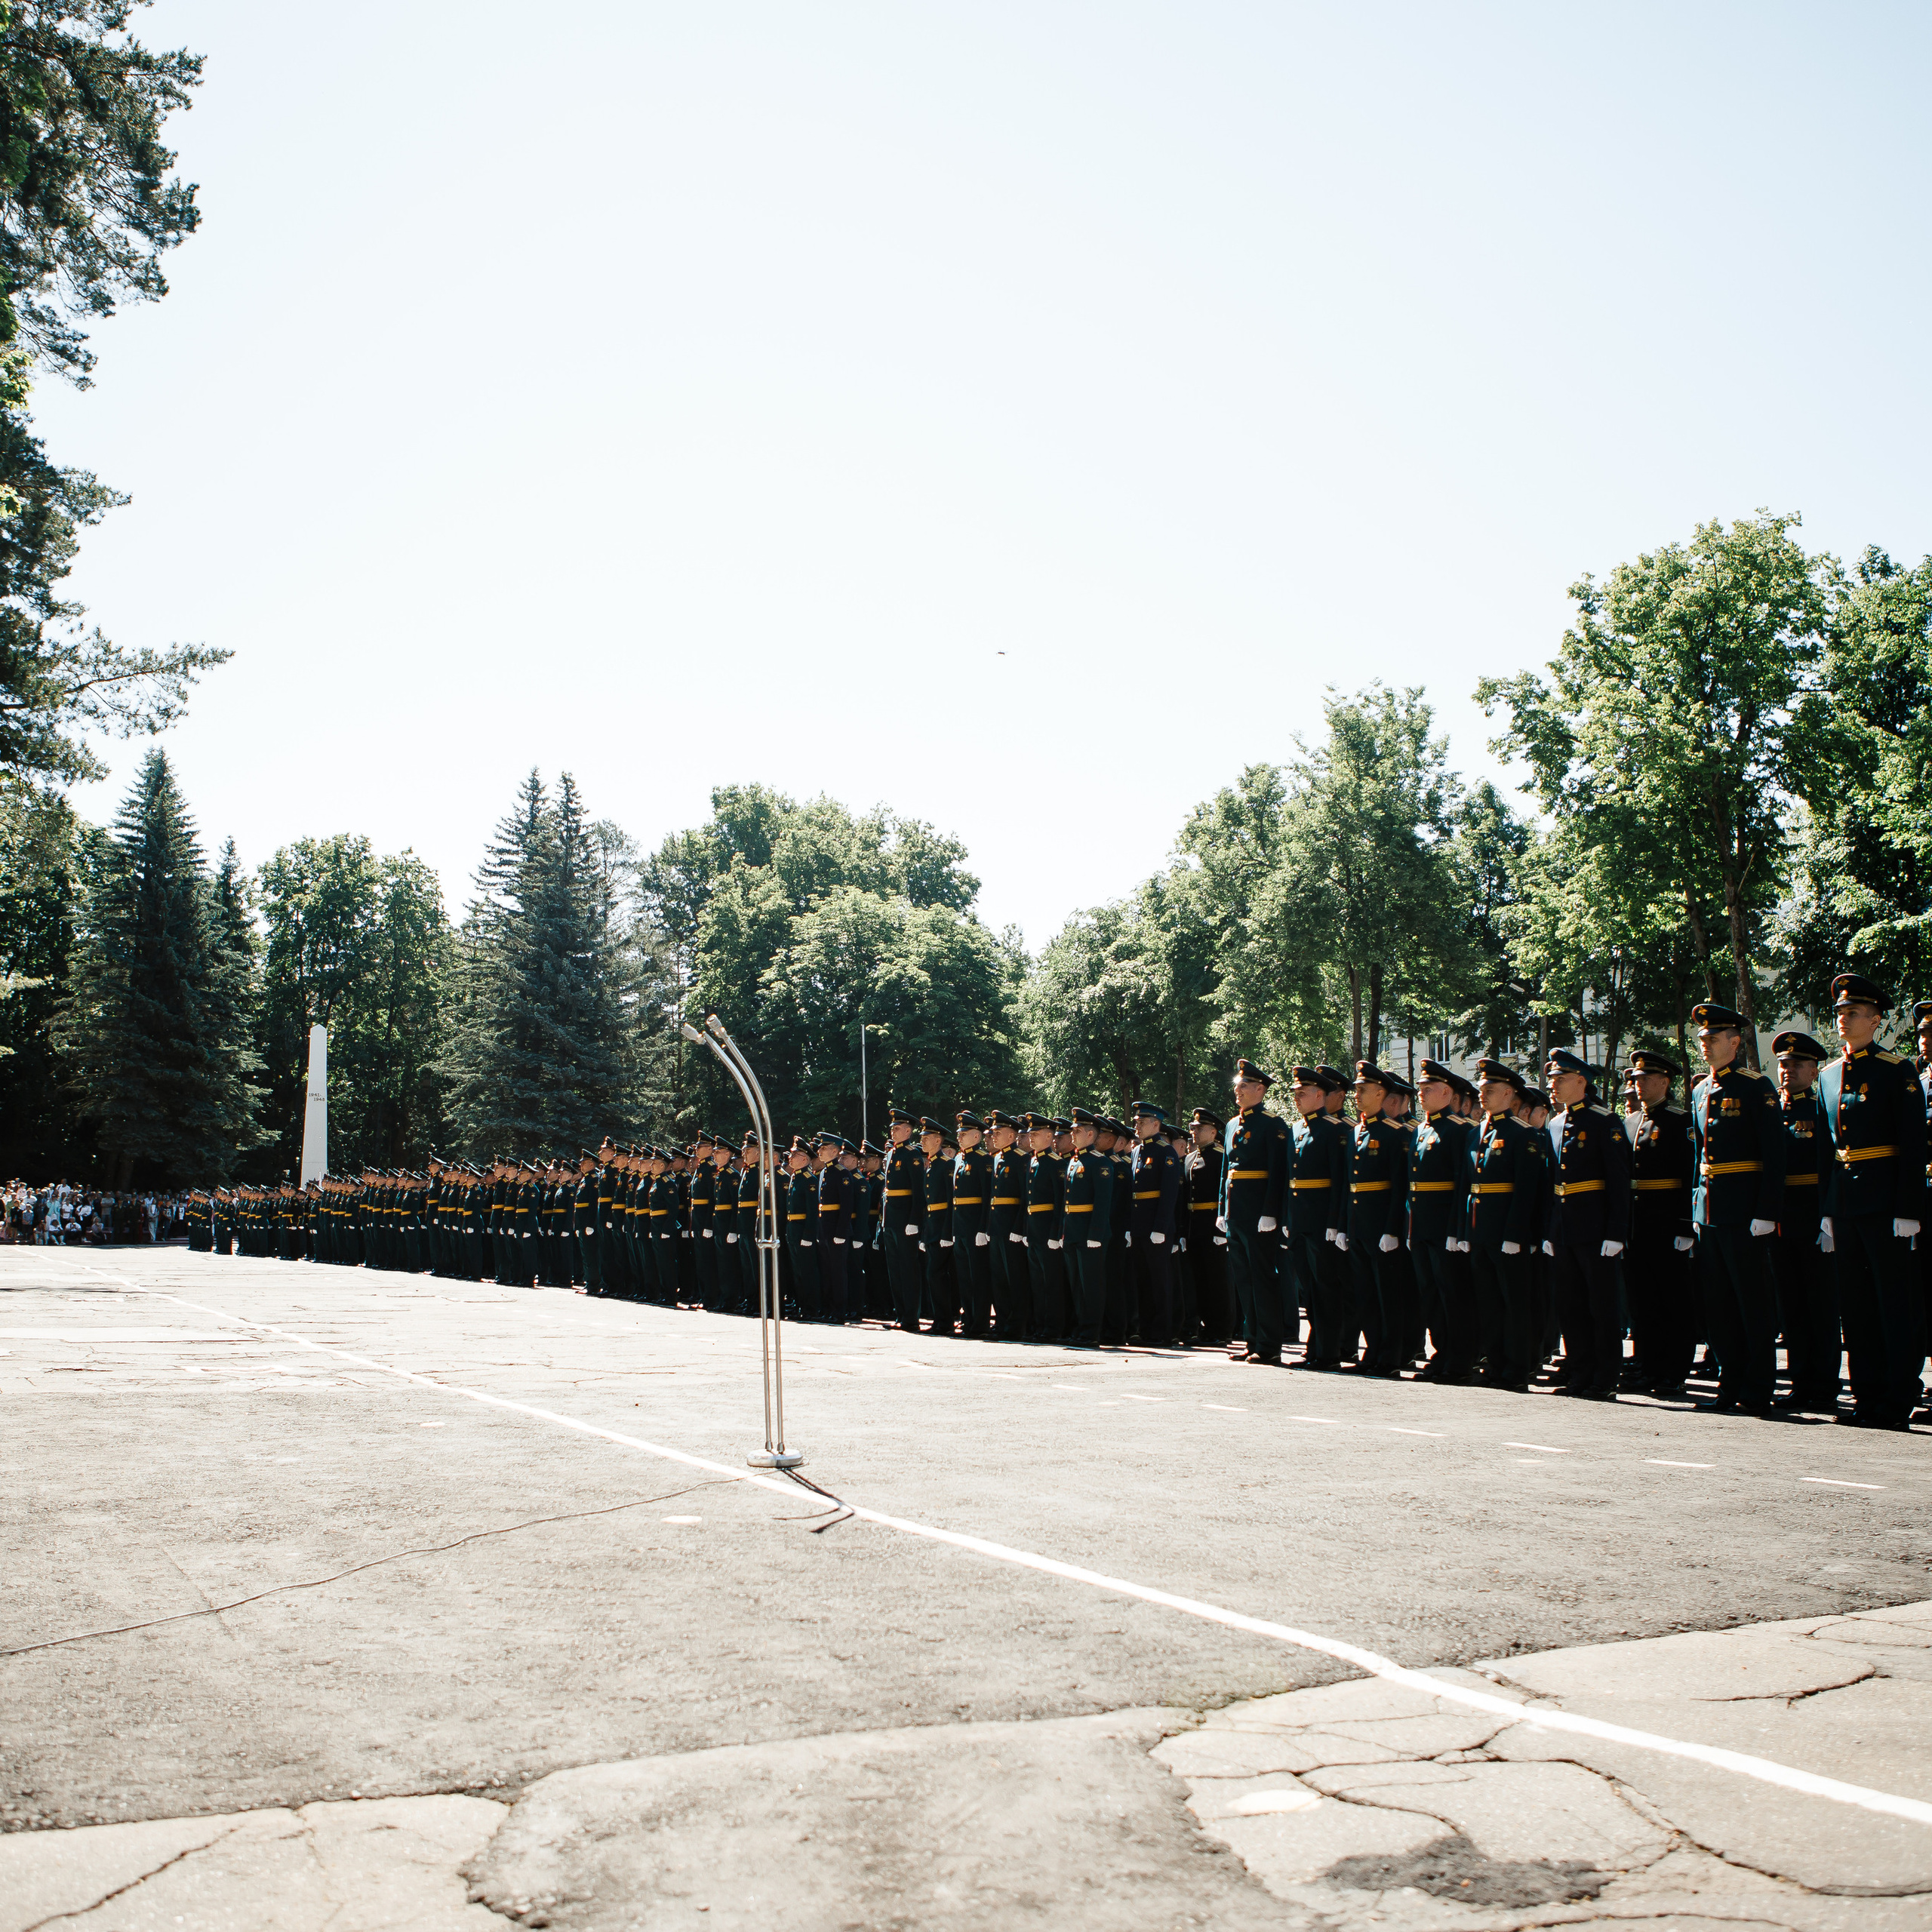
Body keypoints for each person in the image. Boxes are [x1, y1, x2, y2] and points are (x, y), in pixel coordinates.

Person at [1816, 974, 1927, 1429]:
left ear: (1876, 1021)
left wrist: (1909, 1209)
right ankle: (1866, 1393)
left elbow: (1913, 1142)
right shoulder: (1827, 1075)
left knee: (1893, 1301)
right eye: (1839, 1012)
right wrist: (1826, 1210)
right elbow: (1825, 1149)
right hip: (1845, 1203)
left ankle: (1899, 1396)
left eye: (1852, 1013)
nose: (1842, 1019)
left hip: (1885, 1201)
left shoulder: (1895, 1068)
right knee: (1856, 1304)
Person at [1688, 1001, 1786, 1415]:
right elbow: (1698, 1159)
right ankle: (1730, 1383)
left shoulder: (1755, 1087)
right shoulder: (1700, 1090)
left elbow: (1774, 1154)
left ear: (1735, 1041)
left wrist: (1766, 1211)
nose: (1704, 1045)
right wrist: (1692, 1212)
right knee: (1719, 1302)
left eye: (1712, 1038)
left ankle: (1759, 1385)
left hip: (1745, 1211)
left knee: (1752, 1302)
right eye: (1701, 1039)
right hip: (1709, 1211)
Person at [1543, 1047, 1632, 1400]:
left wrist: (1616, 1231)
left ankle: (1605, 1377)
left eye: (1560, 1079)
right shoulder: (1555, 1123)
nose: (1553, 1085)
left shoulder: (1603, 1120)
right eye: (1551, 1079)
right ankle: (1579, 1373)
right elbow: (1553, 1182)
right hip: (1564, 1229)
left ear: (1581, 1081)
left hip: (1595, 1229)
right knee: (1571, 1305)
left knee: (1601, 1306)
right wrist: (1551, 1230)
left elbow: (1618, 1180)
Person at [1768, 1031, 1839, 1412]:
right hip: (1781, 1218)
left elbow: (1829, 1164)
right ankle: (1800, 1381)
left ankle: (1824, 1384)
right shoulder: (1771, 1110)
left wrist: (1829, 1214)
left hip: (1812, 1214)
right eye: (1783, 1064)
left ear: (1814, 1071)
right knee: (1791, 1304)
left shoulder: (1820, 1108)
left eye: (1796, 1065)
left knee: (1821, 1303)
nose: (1788, 1070)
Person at [1624, 1049, 1695, 1400]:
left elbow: (1688, 1175)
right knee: (1642, 1302)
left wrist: (1685, 1225)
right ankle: (1647, 1366)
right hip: (1638, 1226)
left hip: (1667, 1223)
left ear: (1664, 1081)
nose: (1637, 1084)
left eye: (1644, 1078)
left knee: (1672, 1301)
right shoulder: (1632, 1121)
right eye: (1635, 1079)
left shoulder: (1681, 1121)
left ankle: (1674, 1371)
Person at [1409, 1059, 1474, 1383]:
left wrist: (1455, 1229)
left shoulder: (1461, 1130)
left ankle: (1459, 1358)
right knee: (1430, 1293)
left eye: (1428, 1089)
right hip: (1421, 1227)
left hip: (1444, 1227)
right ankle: (1441, 1353)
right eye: (1420, 1089)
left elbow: (1463, 1183)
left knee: (1454, 1294)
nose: (1421, 1094)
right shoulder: (1421, 1130)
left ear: (1447, 1093)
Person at [1220, 1059, 1288, 1364]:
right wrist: (1223, 1210)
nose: (1238, 1089)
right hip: (1236, 1212)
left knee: (1262, 1278)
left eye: (1244, 1085)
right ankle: (1252, 1339)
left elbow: (1277, 1172)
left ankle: (1269, 1344)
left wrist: (1271, 1211)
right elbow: (1227, 1171)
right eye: (1238, 1084)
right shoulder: (1232, 1124)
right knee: (1244, 1279)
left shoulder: (1273, 1124)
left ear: (1260, 1089)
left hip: (1259, 1213)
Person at [1283, 1067, 1347, 1367]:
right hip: (1299, 1221)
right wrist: (1286, 1217)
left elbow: (1339, 1182)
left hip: (1322, 1222)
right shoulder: (1296, 1130)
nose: (1295, 1098)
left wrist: (1335, 1224)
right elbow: (1289, 1178)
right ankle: (1314, 1347)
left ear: (1320, 1095)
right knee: (1308, 1289)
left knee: (1326, 1288)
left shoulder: (1334, 1130)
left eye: (1302, 1093)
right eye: (1294, 1093)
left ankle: (1329, 1351)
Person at [1128, 1100, 1183, 1347]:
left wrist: (1160, 1227)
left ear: (1156, 1124)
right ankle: (1146, 1329)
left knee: (1160, 1281)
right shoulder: (1137, 1151)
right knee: (1142, 1280)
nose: (1136, 1125)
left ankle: (1163, 1331)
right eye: (1136, 1122)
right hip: (1139, 1227)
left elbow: (1169, 1193)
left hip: (1156, 1228)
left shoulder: (1166, 1152)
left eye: (1141, 1122)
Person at [1184, 1108, 1228, 1346]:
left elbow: (1223, 1194)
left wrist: (1221, 1231)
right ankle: (1205, 1327)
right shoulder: (1191, 1158)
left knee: (1217, 1280)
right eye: (1193, 1128)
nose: (1194, 1132)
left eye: (1199, 1129)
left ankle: (1220, 1329)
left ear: (1213, 1131)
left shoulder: (1221, 1156)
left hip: (1212, 1224)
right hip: (1194, 1225)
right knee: (1198, 1279)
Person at [951, 1112, 994, 1339]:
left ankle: (980, 1322)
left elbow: (987, 1198)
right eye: (959, 1134)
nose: (959, 1137)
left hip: (975, 1226)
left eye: (964, 1134)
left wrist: (982, 1228)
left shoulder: (984, 1161)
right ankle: (968, 1319)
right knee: (964, 1278)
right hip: (960, 1226)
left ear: (976, 1136)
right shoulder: (960, 1160)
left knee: (978, 1277)